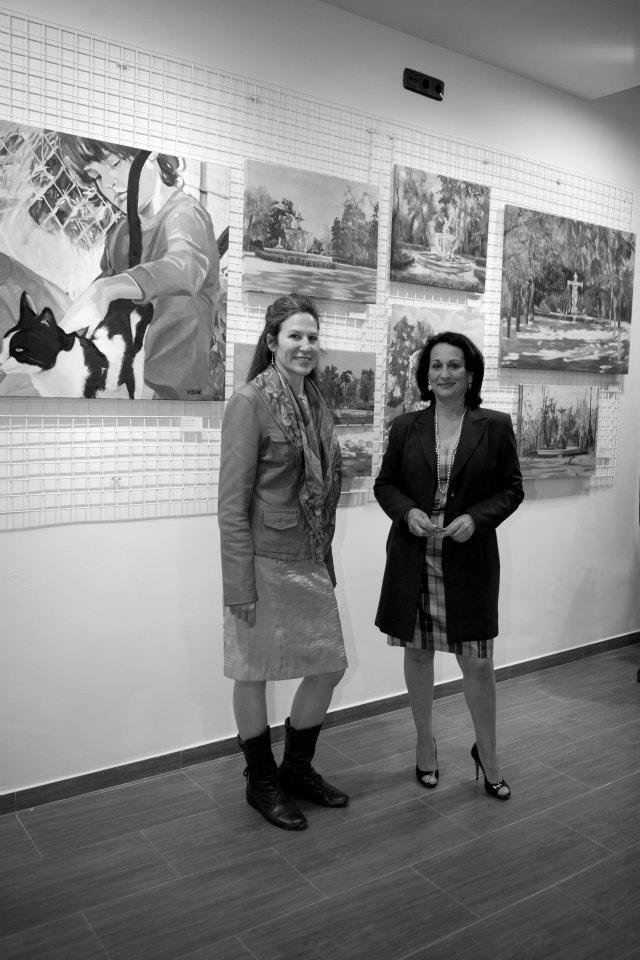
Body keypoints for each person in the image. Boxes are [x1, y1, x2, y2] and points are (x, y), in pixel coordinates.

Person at [218, 292, 349, 831]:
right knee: (253, 671)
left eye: (312, 337)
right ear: (272, 341)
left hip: (309, 555)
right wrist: (238, 586)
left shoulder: (316, 400)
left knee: (329, 664)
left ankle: (296, 769)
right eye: (294, 335)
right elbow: (231, 505)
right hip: (264, 560)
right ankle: (261, 780)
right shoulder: (250, 402)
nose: (305, 345)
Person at [374, 331, 524, 800]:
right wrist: (407, 512)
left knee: (476, 664)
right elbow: (385, 485)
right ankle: (425, 743)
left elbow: (511, 490)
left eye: (453, 365)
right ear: (426, 374)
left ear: (470, 372)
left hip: (468, 557)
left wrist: (475, 520)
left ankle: (489, 753)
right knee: (417, 653)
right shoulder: (405, 427)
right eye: (436, 366)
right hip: (414, 555)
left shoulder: (495, 426)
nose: (444, 374)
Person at [58, 135, 220, 399]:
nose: (109, 184)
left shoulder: (186, 215)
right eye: (96, 176)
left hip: (176, 394)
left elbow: (184, 265)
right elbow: (96, 302)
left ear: (152, 153)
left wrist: (110, 287)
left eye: (115, 163)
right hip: (126, 384)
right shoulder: (121, 234)